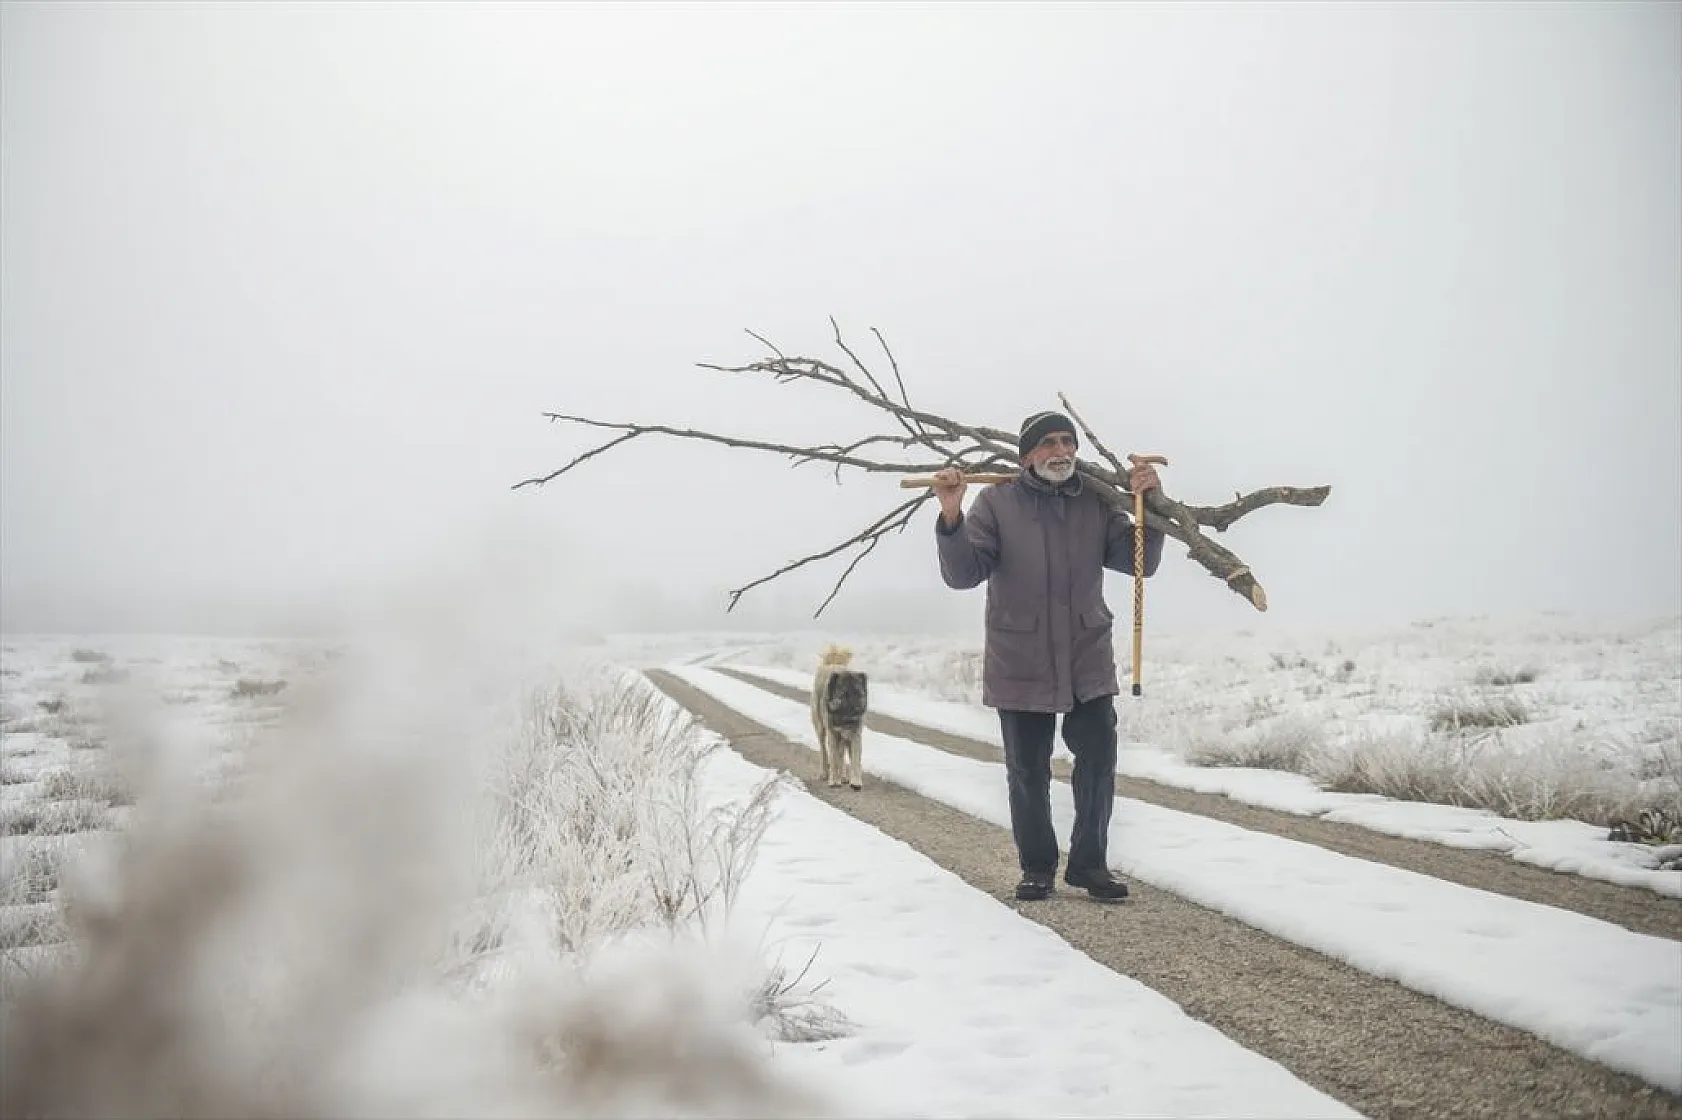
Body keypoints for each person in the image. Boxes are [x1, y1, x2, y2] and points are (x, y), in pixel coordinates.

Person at [932, 410, 1165, 901]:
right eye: (1049, 443)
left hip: (1086, 654)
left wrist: (1151, 499)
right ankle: (1037, 867)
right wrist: (952, 514)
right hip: (1021, 657)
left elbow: (1140, 562)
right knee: (1027, 769)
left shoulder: (1097, 501)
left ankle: (1089, 865)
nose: (1061, 452)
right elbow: (963, 574)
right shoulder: (996, 503)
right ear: (1026, 455)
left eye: (1068, 442)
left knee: (1098, 761)